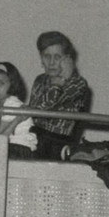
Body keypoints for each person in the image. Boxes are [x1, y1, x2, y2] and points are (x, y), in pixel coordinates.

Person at [28, 31, 92, 161]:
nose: (51, 62)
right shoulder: (39, 80)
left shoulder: (77, 83)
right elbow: (34, 111)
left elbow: (44, 107)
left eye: (57, 57)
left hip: (58, 142)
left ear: (67, 59)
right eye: (47, 56)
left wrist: (59, 83)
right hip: (35, 137)